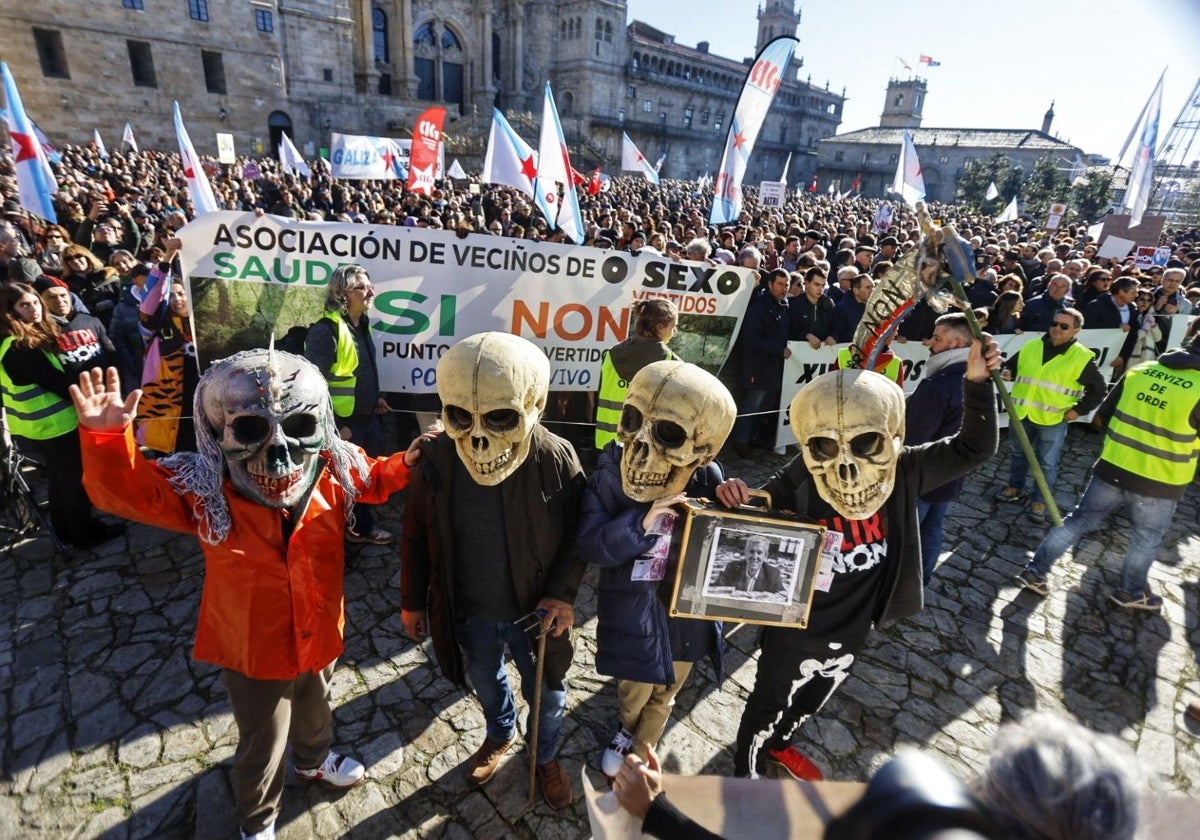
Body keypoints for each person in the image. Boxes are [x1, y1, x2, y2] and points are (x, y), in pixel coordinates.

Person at [71, 354, 426, 840]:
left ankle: (314, 761)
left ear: (321, 427)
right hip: (252, 646)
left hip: (319, 627)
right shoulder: (205, 492)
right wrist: (107, 439)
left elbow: (373, 478)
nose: (279, 458)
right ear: (218, 435)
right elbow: (124, 492)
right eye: (251, 430)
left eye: (299, 426)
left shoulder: (330, 470)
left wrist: (405, 462)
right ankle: (257, 822)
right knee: (262, 740)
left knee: (317, 703)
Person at [715, 336, 1001, 780]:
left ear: (893, 439)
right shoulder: (810, 469)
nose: (845, 469)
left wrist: (978, 384)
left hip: (855, 626)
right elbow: (767, 496)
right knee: (768, 701)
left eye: (867, 444)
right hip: (797, 625)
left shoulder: (905, 470)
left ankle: (780, 745)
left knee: (813, 698)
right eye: (826, 448)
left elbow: (974, 448)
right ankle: (745, 771)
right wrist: (736, 496)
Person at [400, 332, 585, 809]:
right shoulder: (437, 459)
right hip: (471, 609)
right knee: (486, 679)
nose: (478, 439)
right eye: (461, 418)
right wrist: (412, 599)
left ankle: (543, 755)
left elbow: (578, 533)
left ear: (533, 406)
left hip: (536, 611)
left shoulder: (555, 458)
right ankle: (500, 733)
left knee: (547, 691)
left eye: (502, 419)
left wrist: (563, 594)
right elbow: (416, 534)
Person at [578, 360, 733, 778]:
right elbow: (592, 545)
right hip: (634, 611)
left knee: (668, 690)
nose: (640, 449)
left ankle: (646, 744)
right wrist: (640, 523)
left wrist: (731, 501)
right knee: (634, 690)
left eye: (668, 435)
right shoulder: (610, 474)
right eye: (633, 424)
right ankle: (627, 730)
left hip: (686, 613)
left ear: (703, 452)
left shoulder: (708, 477)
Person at [1015, 331, 1200, 607]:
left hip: (1114, 466)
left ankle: (1035, 571)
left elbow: (1103, 414)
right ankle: (1129, 591)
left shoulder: (1141, 371)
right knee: (1146, 538)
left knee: (1077, 521)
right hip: (1161, 478)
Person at [0, 283, 122, 548]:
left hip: (38, 426)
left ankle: (65, 529)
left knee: (58, 478)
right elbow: (59, 384)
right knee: (74, 480)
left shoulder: (14, 341)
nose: (33, 309)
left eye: (34, 303)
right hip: (56, 424)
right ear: (10, 311)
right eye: (24, 305)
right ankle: (86, 533)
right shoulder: (21, 347)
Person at [305, 264, 393, 544]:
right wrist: (337, 426)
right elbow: (314, 386)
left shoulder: (361, 324)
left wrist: (375, 397)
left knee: (365, 475)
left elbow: (363, 369)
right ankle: (359, 529)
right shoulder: (326, 330)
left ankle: (359, 522)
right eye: (362, 287)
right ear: (343, 293)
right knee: (352, 477)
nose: (370, 292)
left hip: (367, 417)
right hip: (345, 424)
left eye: (369, 285)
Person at [995, 308, 1106, 523]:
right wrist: (1009, 371)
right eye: (1054, 323)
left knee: (1046, 464)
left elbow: (1099, 389)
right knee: (1019, 455)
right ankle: (1014, 487)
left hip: (1053, 420)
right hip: (1022, 414)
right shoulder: (1032, 345)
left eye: (1064, 326)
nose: (1057, 328)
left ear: (1076, 330)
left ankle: (1039, 500)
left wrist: (1078, 411)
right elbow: (1014, 365)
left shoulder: (1082, 357)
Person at [904, 313, 972, 585]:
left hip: (923, 477)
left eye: (937, 338)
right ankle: (921, 581)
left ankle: (904, 586)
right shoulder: (973, 379)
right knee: (932, 528)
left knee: (910, 533)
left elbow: (914, 439)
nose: (929, 343)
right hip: (951, 473)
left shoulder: (938, 386)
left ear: (956, 343)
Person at [135, 241, 199, 454]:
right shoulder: (158, 325)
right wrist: (167, 260)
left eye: (181, 293)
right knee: (177, 454)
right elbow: (150, 302)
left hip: (205, 400)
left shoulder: (206, 322)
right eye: (171, 295)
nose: (177, 299)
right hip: (170, 404)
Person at [594, 298, 678, 448]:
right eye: (673, 327)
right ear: (660, 327)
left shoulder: (610, 354)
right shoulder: (672, 363)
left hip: (608, 443)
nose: (674, 332)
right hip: (647, 447)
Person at [730, 269, 791, 456]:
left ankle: (753, 438)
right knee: (752, 405)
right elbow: (751, 340)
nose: (784, 288)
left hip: (772, 366)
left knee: (764, 405)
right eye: (780, 284)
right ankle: (741, 441)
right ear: (770, 284)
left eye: (786, 284)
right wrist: (779, 350)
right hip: (757, 365)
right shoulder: (759, 308)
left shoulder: (781, 306)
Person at [60, 244, 121, 330]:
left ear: (87, 257)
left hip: (118, 320)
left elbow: (124, 298)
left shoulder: (107, 275)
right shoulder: (67, 285)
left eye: (78, 256)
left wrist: (111, 303)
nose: (75, 261)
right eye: (69, 259)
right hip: (93, 326)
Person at [714, 536, 785, 593]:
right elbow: (715, 589)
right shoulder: (732, 568)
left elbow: (781, 598)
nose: (754, 557)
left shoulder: (773, 574)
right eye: (751, 551)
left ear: (765, 556)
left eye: (759, 553)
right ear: (745, 552)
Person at [787, 266, 835, 348]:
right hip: (799, 355)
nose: (820, 289)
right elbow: (789, 331)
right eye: (817, 284)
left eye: (823, 285)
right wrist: (806, 335)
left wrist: (833, 336)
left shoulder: (828, 303)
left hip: (824, 354)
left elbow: (836, 326)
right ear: (807, 283)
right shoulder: (794, 304)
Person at [829, 274, 875, 343]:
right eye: (868, 287)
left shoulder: (874, 307)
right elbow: (836, 332)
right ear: (856, 290)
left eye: (873, 287)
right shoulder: (842, 308)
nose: (872, 290)